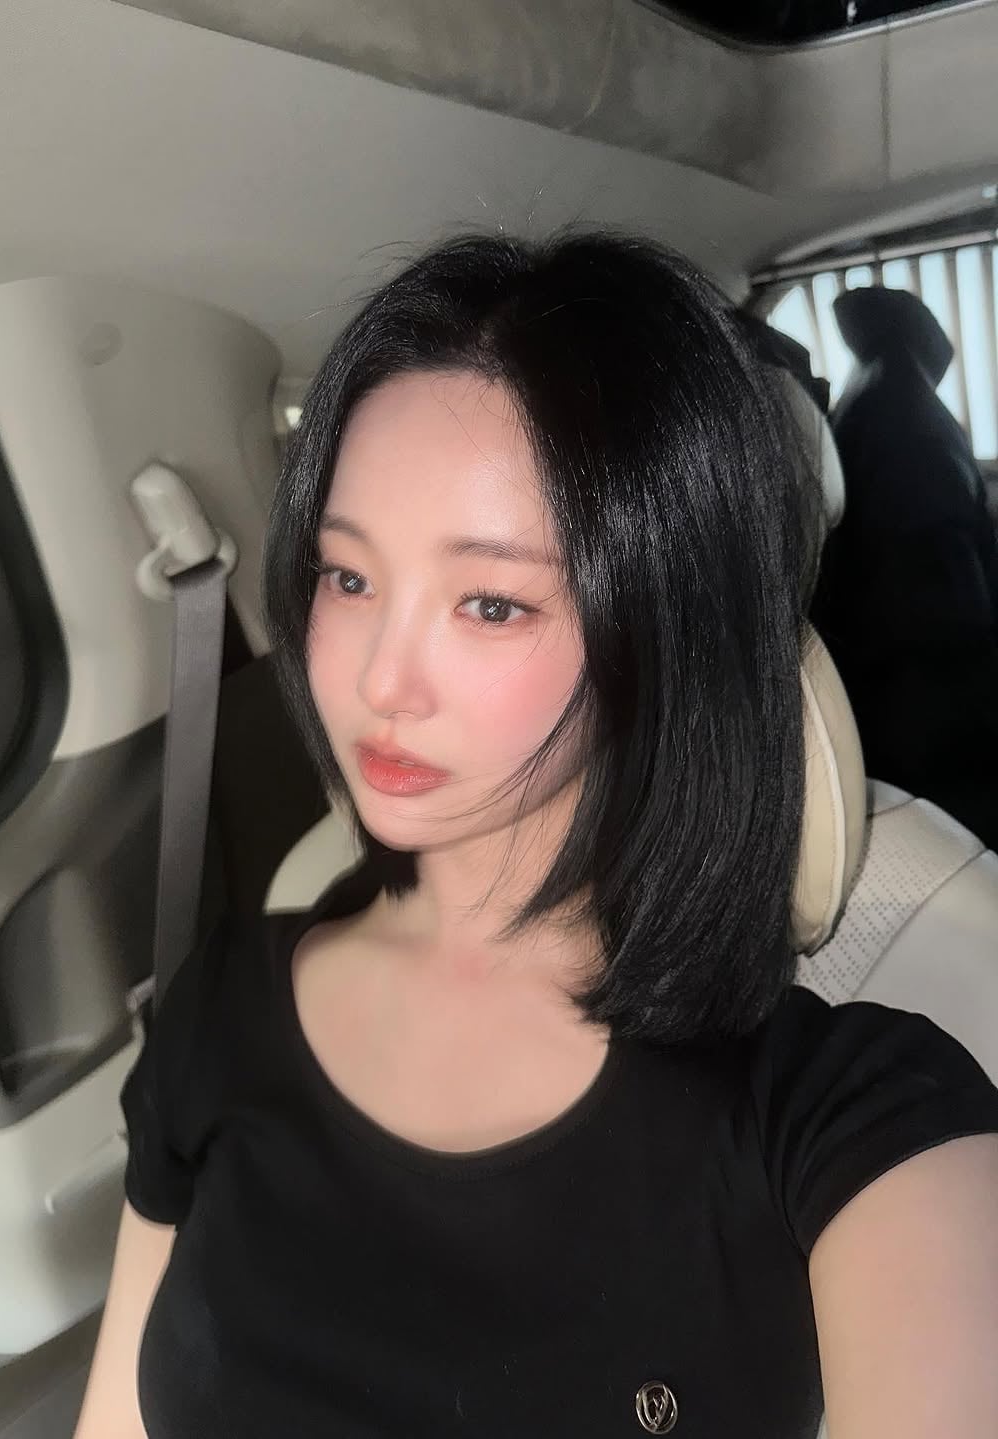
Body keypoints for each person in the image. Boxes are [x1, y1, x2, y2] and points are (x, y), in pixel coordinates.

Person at [73, 230, 998, 1439]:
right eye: (348, 577)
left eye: (491, 602)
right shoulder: (217, 1012)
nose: (379, 679)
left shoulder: (850, 1116)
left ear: (658, 635)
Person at [811, 283, 998, 850]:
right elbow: (941, 582)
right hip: (926, 687)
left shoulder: (870, 396)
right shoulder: (908, 413)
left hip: (889, 672)